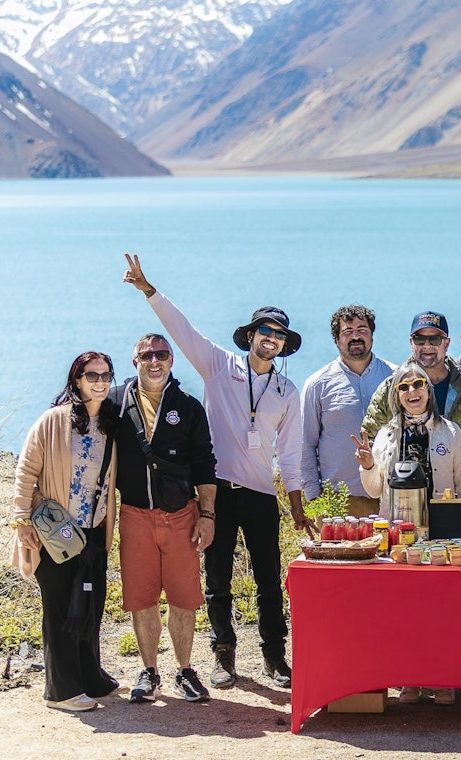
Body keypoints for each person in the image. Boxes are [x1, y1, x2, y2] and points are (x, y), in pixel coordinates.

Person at [122, 254, 312, 691]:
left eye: (279, 336)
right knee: (218, 580)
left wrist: (297, 506)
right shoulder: (218, 365)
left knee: (268, 581)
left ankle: (274, 658)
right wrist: (150, 291)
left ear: (285, 345)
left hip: (262, 495)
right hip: (215, 495)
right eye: (265, 331)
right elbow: (181, 329)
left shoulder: (286, 390)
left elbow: (291, 452)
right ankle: (223, 658)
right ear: (251, 335)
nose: (271, 340)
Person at [353, 360, 461, 706]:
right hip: (400, 537)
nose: (412, 392)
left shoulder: (450, 433)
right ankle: (409, 680)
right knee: (404, 610)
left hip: (443, 535)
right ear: (396, 394)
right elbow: (376, 488)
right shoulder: (386, 435)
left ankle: (443, 680)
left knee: (443, 611)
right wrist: (366, 465)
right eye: (404, 387)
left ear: (429, 390)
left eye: (418, 384)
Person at [109, 334, 217, 703]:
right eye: (146, 355)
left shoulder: (187, 407)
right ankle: (149, 671)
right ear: (134, 361)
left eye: (162, 354)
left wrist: (207, 515)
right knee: (142, 598)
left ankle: (185, 671)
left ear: (172, 360)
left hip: (181, 514)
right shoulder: (116, 403)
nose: (154, 361)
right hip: (135, 514)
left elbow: (205, 462)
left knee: (184, 598)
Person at [11, 351, 120, 712]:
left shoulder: (108, 424)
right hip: (55, 532)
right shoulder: (53, 421)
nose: (100, 382)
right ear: (77, 379)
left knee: (89, 605)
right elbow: (26, 471)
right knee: (59, 609)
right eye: (92, 376)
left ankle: (90, 678)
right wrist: (22, 521)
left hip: (92, 532)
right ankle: (62, 691)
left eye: (106, 376)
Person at [361, 311, 461, 497]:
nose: (427, 346)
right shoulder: (390, 388)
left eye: (435, 339)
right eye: (420, 339)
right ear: (411, 342)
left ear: (446, 343)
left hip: (453, 500)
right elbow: (372, 438)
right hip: (400, 500)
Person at [301, 305, 395, 517]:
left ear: (372, 335)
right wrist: (314, 500)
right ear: (336, 339)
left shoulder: (396, 378)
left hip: (389, 498)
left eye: (362, 329)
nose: (355, 336)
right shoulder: (317, 384)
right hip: (338, 502)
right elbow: (306, 444)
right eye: (347, 332)